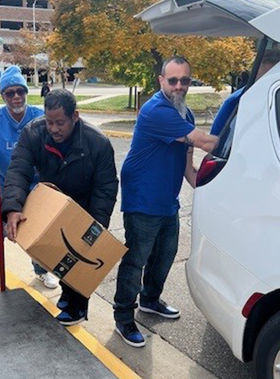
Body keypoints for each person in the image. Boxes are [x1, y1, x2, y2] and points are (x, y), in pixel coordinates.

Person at [113, 56, 218, 348]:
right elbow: (205, 142)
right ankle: (123, 317)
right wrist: (245, 143)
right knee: (136, 260)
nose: (179, 86)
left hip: (167, 200)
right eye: (173, 80)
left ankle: (149, 300)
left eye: (185, 80)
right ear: (161, 81)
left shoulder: (185, 114)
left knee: (166, 254)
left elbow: (188, 166)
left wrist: (210, 190)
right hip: (143, 199)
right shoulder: (156, 110)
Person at [2, 89, 118, 325]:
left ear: (75, 116)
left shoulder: (98, 143)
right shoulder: (34, 132)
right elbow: (18, 170)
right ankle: (67, 294)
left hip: (84, 203)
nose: (54, 129)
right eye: (50, 122)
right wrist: (12, 208)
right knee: (57, 251)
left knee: (81, 252)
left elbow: (105, 189)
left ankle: (77, 307)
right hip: (54, 199)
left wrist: (96, 226)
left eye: (60, 123)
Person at [0, 65, 58, 289]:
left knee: (37, 227)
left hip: (36, 183)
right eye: (10, 92)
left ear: (27, 92)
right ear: (3, 96)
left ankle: (41, 270)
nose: (16, 97)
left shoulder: (40, 118)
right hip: (5, 184)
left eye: (20, 91)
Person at [211, 49, 280, 136]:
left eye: (275, 80)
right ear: (253, 75)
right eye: (263, 80)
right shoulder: (236, 101)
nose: (269, 86)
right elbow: (216, 139)